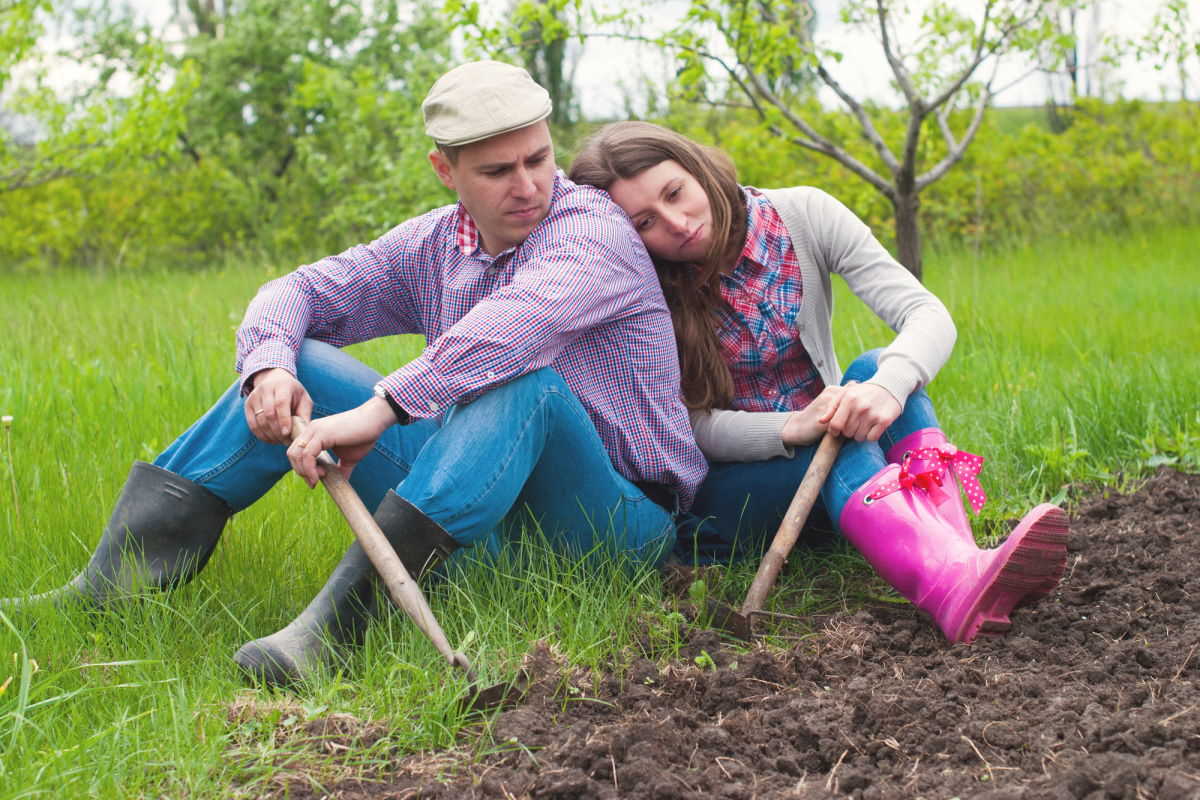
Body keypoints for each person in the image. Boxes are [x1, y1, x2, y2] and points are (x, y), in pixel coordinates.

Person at [1, 63, 707, 685]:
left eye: (538, 159)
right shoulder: (435, 243)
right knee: (294, 359)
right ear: (445, 171)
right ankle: (108, 589)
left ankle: (336, 633)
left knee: (524, 385)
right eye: (497, 171)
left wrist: (381, 408)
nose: (527, 186)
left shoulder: (594, 234)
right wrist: (269, 366)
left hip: (610, 526)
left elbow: (513, 327)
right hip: (470, 513)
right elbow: (299, 290)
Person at [569, 121, 1068, 644]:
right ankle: (950, 585)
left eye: (676, 193)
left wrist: (887, 386)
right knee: (838, 431)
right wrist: (792, 426)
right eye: (645, 221)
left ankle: (961, 560)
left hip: (841, 480)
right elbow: (686, 426)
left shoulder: (803, 214)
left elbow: (925, 312)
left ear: (697, 168)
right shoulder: (642, 285)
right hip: (738, 494)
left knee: (879, 366)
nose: (676, 223)